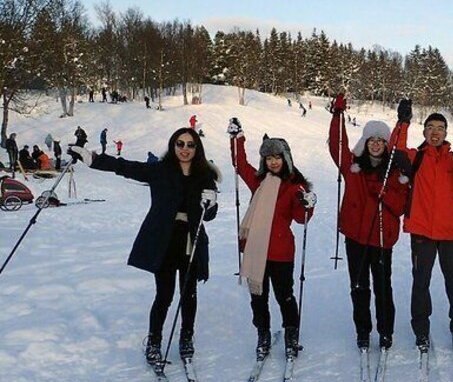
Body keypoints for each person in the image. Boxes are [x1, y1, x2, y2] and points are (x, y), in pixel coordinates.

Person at [67, 128, 219, 364]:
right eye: (180, 143)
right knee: (164, 295)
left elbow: (208, 216)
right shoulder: (160, 170)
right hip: (164, 240)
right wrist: (94, 160)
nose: (185, 149)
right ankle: (154, 341)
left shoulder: (204, 176)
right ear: (173, 145)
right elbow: (127, 167)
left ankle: (186, 337)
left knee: (188, 294)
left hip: (191, 240)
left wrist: (210, 205)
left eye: (190, 145)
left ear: (197, 148)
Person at [391, 101, 453, 352]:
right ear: (425, 132)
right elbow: (395, 150)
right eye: (430, 127)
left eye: (440, 128)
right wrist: (403, 123)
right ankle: (421, 330)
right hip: (422, 232)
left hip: (449, 232)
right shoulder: (415, 157)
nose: (435, 132)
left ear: (446, 133)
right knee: (421, 282)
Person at [228, 118, 316, 359]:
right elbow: (240, 164)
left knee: (284, 295)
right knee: (258, 297)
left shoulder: (295, 186)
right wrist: (237, 138)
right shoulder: (258, 181)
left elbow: (301, 218)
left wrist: (308, 205)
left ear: (285, 158)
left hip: (281, 251)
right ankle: (263, 333)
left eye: (277, 157)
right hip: (256, 250)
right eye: (269, 158)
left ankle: (291, 332)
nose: (273, 161)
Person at [329, 94, 409, 350]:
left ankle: (386, 331)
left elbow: (400, 207)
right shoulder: (353, 167)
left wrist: (385, 194)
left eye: (380, 140)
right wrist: (337, 116)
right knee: (359, 286)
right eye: (372, 140)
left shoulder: (394, 172)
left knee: (383, 287)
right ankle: (363, 330)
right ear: (365, 141)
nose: (376, 144)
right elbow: (337, 146)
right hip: (355, 237)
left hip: (382, 238)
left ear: (386, 144)